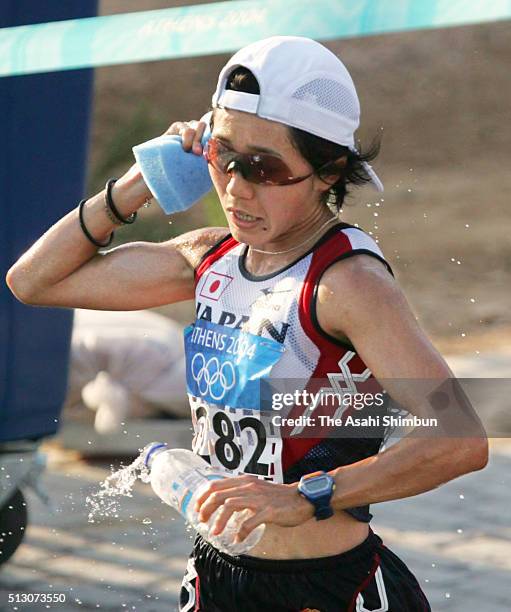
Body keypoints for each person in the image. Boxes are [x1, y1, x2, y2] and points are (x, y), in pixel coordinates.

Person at [6, 36, 487, 612]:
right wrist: (142, 178)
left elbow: (460, 439)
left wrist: (307, 496)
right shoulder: (209, 259)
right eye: (221, 155)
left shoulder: (347, 284)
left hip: (329, 587)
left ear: (328, 171)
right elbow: (33, 282)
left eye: (263, 166)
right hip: (218, 577)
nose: (235, 187)